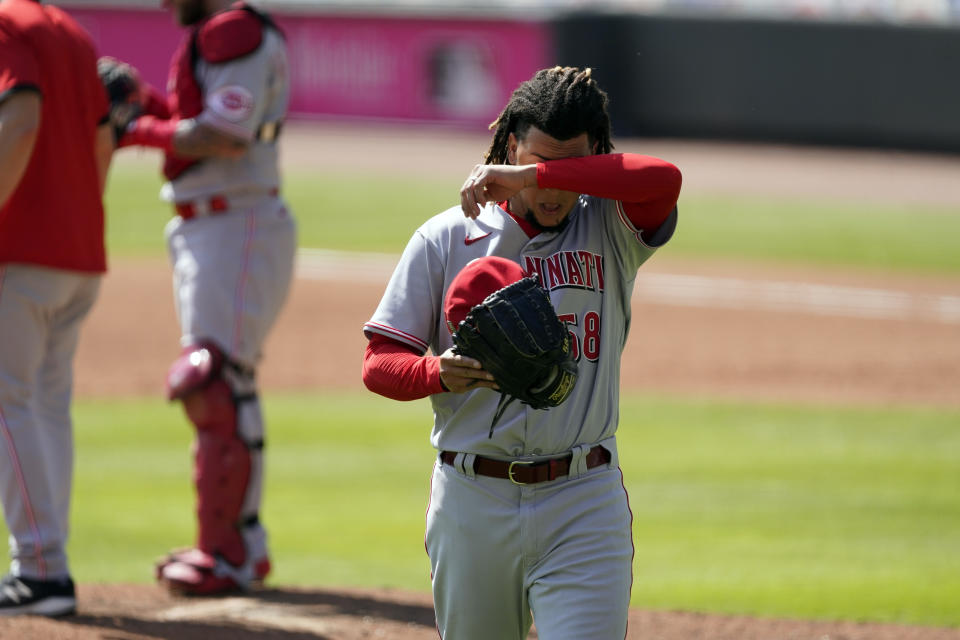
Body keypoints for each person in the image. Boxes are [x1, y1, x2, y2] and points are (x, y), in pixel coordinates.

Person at [363, 66, 682, 639]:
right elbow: (379, 364)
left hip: (582, 499)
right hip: (472, 500)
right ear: (509, 143)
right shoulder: (445, 238)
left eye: (568, 168)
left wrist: (532, 172)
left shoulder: (609, 227)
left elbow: (665, 177)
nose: (554, 189)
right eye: (539, 164)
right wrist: (437, 373)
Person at [116, 0, 295, 595]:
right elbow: (201, 118)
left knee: (216, 384)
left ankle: (229, 552)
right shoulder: (225, 34)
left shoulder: (232, 32)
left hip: (233, 221)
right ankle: (235, 544)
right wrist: (153, 105)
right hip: (219, 222)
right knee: (226, 383)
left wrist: (134, 129)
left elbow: (224, 134)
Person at [0, 0, 114, 617]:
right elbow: (103, 137)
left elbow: (19, 119)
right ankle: (48, 562)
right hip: (76, 251)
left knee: (9, 400)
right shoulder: (68, 28)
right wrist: (77, 218)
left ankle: (40, 570)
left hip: (19, 254)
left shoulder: (6, 23)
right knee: (45, 405)